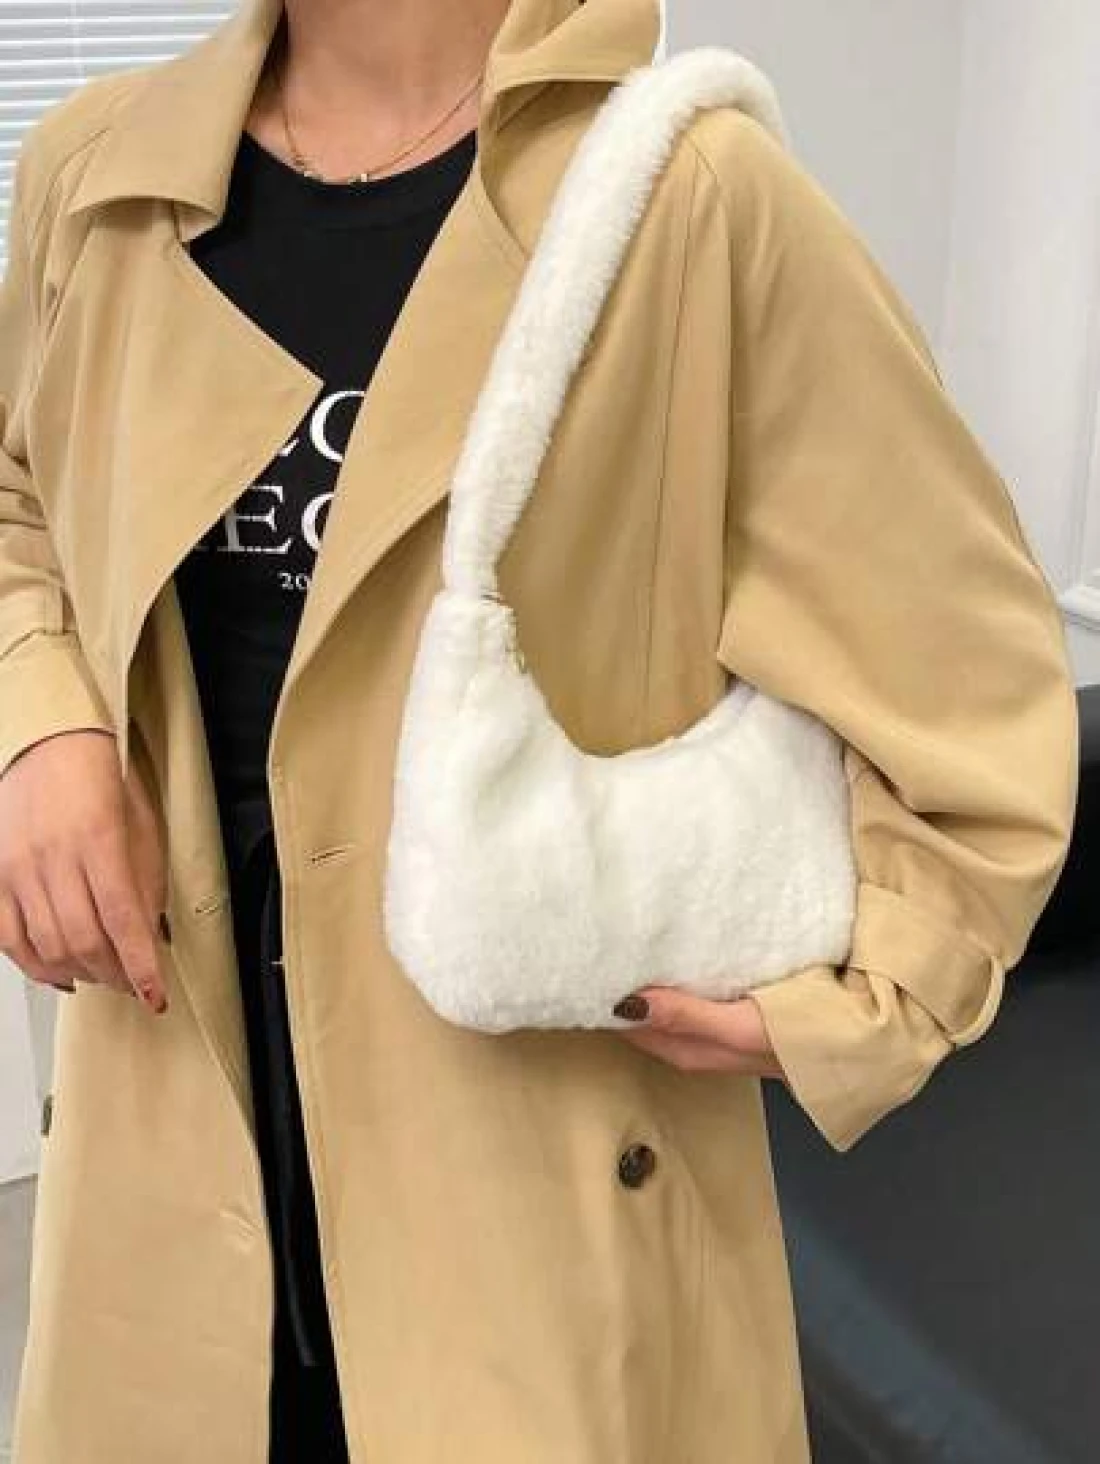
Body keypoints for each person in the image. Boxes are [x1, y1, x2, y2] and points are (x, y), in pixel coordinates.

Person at [0, 0, 1078, 1460]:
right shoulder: (99, 179)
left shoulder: (685, 195)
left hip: (528, 1185)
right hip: (171, 1128)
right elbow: (17, 490)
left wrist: (879, 983)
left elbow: (966, 657)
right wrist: (38, 728)